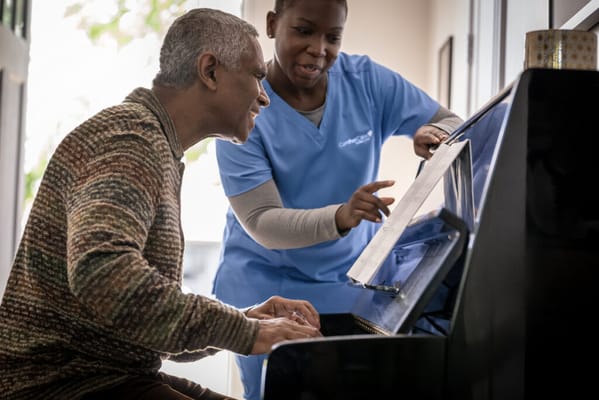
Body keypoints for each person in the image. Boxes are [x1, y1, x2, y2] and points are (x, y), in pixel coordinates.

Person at [0, 8, 323, 400]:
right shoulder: (131, 138)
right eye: (257, 75)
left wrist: (244, 320)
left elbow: (140, 318)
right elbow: (101, 273)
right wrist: (246, 333)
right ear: (210, 70)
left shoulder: (153, 145)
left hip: (106, 374)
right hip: (58, 385)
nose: (264, 96)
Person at [212, 0, 464, 399]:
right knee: (277, 389)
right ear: (274, 24)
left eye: (333, 37)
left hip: (346, 281)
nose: (319, 49)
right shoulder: (244, 103)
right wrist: (342, 216)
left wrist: (433, 132)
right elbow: (261, 221)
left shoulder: (366, 81)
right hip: (265, 286)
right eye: (305, 31)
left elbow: (454, 124)